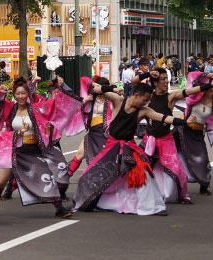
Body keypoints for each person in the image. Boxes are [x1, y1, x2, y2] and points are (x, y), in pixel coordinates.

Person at [73, 83, 198, 216]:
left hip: (129, 146)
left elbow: (163, 118)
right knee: (87, 176)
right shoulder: (118, 100)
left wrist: (185, 122)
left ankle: (154, 207)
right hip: (111, 146)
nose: (147, 103)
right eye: (145, 100)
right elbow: (95, 89)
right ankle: (87, 202)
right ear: (136, 95)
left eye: (148, 100)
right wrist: (113, 89)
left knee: (144, 173)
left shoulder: (144, 111)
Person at [0, 78, 75, 218]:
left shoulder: (36, 109)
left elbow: (56, 105)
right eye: (18, 94)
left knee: (47, 178)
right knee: (0, 183)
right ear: (14, 95)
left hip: (33, 151)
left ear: (28, 94)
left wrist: (62, 86)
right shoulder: (10, 108)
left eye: (23, 93)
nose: (21, 96)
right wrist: (0, 93)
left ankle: (59, 208)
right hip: (14, 151)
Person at [137, 68, 213, 203]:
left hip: (168, 138)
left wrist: (208, 84)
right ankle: (141, 192)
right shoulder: (148, 96)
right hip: (150, 138)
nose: (167, 81)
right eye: (163, 79)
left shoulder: (171, 97)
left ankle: (183, 195)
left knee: (177, 168)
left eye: (167, 79)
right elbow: (134, 82)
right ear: (155, 83)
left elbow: (188, 91)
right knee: (140, 165)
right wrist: (148, 74)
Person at [173, 72, 213, 195]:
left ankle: (204, 186)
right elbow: (192, 75)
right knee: (173, 153)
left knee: (203, 160)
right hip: (183, 129)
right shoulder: (195, 97)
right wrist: (208, 74)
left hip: (197, 133)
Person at [68, 77, 114, 177]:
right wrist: (86, 99)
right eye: (95, 86)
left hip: (104, 134)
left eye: (99, 86)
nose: (96, 88)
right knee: (79, 154)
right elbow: (83, 79)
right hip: (92, 132)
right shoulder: (92, 97)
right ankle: (67, 175)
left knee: (103, 159)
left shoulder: (111, 100)